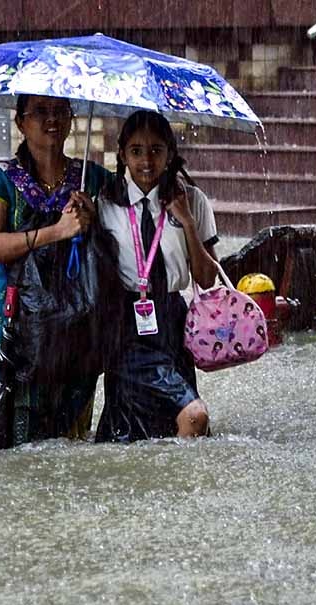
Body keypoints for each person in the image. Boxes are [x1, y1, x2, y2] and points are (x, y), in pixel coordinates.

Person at [0, 94, 112, 449]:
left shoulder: (91, 179)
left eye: (60, 112)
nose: (52, 121)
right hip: (13, 319)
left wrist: (95, 221)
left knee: (68, 440)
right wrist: (56, 232)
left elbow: (124, 236)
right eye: (40, 113)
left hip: (75, 318)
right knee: (8, 434)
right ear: (20, 122)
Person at [95, 110, 219, 442]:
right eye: (136, 151)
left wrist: (188, 223)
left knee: (161, 429)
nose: (146, 161)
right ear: (122, 154)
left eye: (156, 150)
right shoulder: (105, 202)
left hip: (174, 321)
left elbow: (207, 280)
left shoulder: (193, 200)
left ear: (170, 153)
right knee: (192, 416)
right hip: (125, 325)